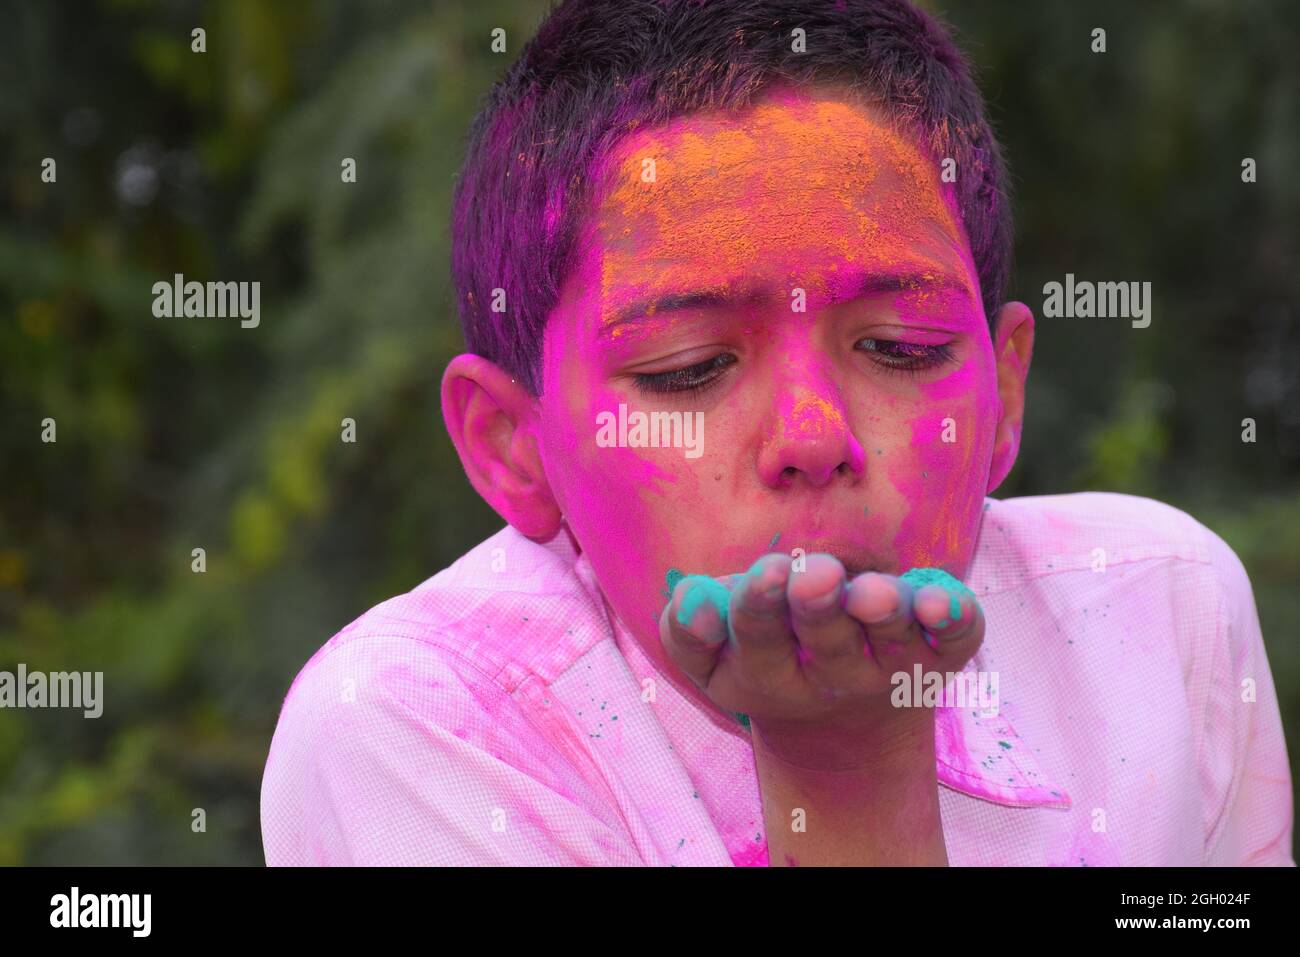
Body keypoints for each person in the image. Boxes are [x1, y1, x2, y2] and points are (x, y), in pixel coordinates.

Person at [261, 0, 1294, 866]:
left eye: (899, 348)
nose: (812, 436)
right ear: (510, 447)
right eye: (688, 369)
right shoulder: (421, 727)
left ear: (1004, 397)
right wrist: (843, 766)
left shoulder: (1158, 611)